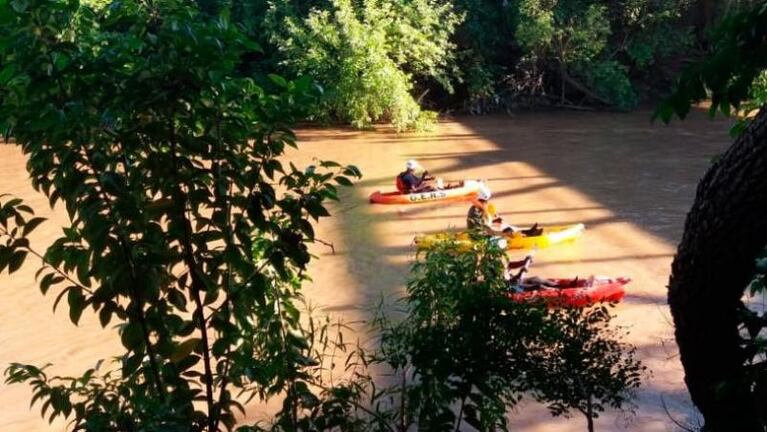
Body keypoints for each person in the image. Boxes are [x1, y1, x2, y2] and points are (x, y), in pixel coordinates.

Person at [466, 184, 542, 236]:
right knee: (506, 229)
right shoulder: (476, 212)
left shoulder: (481, 208)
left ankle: (527, 232)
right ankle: (525, 234)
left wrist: (497, 222)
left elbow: (489, 222)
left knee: (504, 225)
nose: (487, 202)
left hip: (484, 231)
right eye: (485, 201)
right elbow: (485, 231)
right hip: (480, 237)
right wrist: (503, 233)